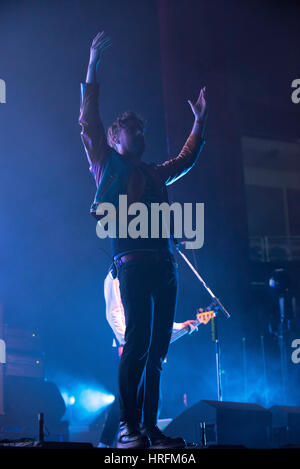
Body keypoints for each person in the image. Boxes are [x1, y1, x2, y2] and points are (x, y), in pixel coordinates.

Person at [79, 31, 207, 449]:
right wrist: (93, 63)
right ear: (117, 138)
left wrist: (198, 125)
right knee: (135, 345)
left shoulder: (153, 171)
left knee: (157, 352)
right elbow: (89, 119)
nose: (140, 135)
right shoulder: (107, 161)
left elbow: (184, 160)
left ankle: (149, 427)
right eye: (133, 130)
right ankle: (127, 428)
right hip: (132, 265)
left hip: (163, 267)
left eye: (142, 130)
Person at [98, 269, 198, 448]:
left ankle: (149, 432)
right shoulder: (115, 274)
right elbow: (113, 312)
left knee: (150, 393)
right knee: (127, 396)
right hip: (130, 343)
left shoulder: (148, 270)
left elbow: (151, 316)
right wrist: (127, 340)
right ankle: (107, 442)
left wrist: (179, 326)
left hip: (142, 343)